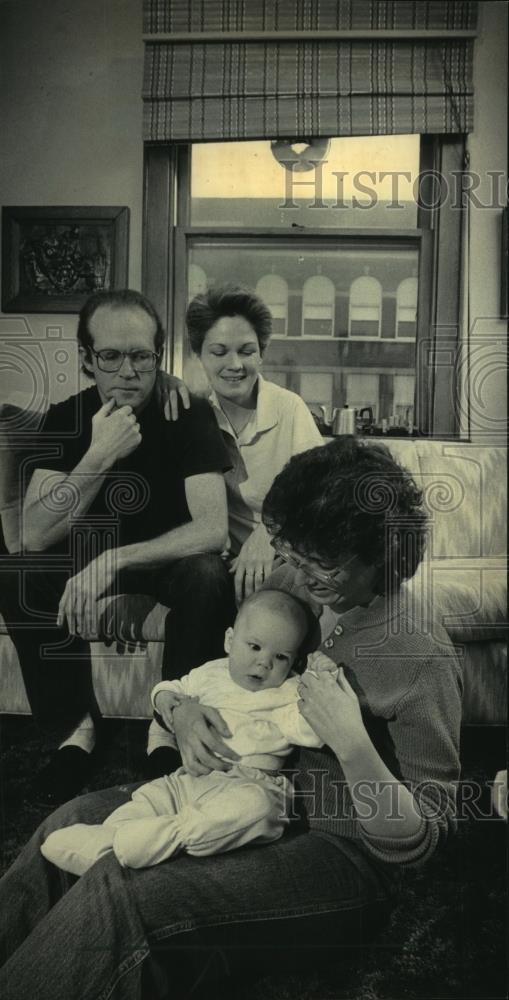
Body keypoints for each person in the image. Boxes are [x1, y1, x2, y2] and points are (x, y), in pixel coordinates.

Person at [0, 437, 463, 1000]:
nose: (297, 573)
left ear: (379, 556)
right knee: (65, 822)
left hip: (340, 853)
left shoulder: (420, 657)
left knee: (125, 892)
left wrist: (351, 743)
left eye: (320, 562)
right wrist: (181, 708)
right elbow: (228, 668)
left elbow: (425, 838)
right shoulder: (300, 586)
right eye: (293, 553)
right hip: (230, 787)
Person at [0, 289, 236, 805]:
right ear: (87, 360)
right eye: (110, 356)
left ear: (159, 356)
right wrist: (98, 455)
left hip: (165, 560)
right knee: (15, 572)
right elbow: (32, 535)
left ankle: (167, 726)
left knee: (208, 575)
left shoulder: (187, 412)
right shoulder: (68, 417)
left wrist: (115, 559)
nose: (127, 371)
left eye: (141, 356)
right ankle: (77, 730)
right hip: (84, 557)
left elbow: (213, 529)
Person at [40, 589, 328, 874]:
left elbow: (310, 732)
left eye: (281, 657)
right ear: (230, 641)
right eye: (254, 647)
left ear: (294, 663)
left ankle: (158, 838)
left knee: (261, 809)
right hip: (189, 778)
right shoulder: (210, 673)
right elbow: (172, 687)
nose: (264, 663)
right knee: (150, 798)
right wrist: (164, 698)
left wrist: (319, 681)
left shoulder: (288, 692)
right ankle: (108, 838)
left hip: (249, 782)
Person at [185, 285, 323, 603]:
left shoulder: (289, 407)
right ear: (199, 356)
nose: (235, 365)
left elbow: (319, 493)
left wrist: (268, 532)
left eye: (247, 351)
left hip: (290, 554)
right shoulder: (192, 414)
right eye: (219, 352)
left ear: (261, 354)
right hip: (221, 567)